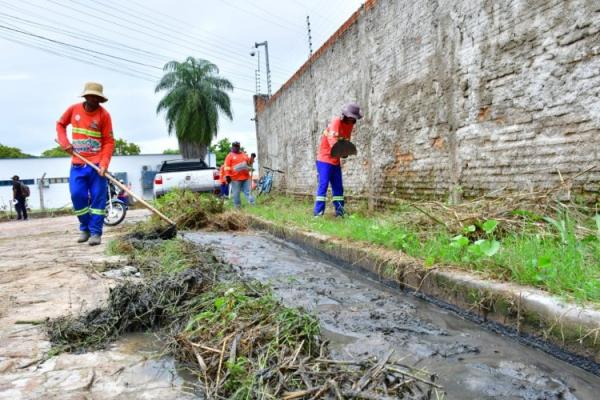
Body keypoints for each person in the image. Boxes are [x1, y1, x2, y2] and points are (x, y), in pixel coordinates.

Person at [56, 82, 115, 246]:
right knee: (77, 195)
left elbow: (109, 142)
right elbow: (60, 125)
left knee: (98, 199)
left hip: (96, 165)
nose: (94, 99)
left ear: (100, 99)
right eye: (91, 96)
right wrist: (64, 142)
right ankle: (85, 228)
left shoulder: (104, 115)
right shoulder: (73, 110)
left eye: (97, 97)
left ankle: (96, 232)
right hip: (78, 163)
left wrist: (104, 164)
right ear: (85, 96)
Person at [314, 103, 363, 217]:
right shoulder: (336, 121)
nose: (352, 120)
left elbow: (346, 140)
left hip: (335, 159)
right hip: (324, 158)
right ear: (345, 115)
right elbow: (332, 140)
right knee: (324, 184)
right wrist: (340, 151)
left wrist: (345, 151)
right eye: (350, 117)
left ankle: (340, 212)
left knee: (338, 187)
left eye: (354, 119)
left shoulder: (350, 125)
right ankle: (318, 213)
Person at [223, 141, 256, 208]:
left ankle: (253, 205)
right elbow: (226, 167)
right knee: (236, 194)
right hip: (235, 179)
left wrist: (252, 158)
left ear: (239, 147)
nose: (235, 147)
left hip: (246, 177)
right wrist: (227, 176)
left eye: (237, 146)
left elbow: (249, 163)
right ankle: (238, 207)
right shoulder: (229, 156)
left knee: (248, 192)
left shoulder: (243, 154)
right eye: (234, 146)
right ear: (232, 147)